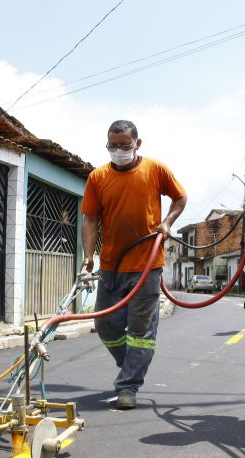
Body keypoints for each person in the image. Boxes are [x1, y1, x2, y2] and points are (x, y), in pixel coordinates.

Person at [81, 120, 187, 410]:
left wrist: (166, 222)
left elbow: (180, 197)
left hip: (147, 264)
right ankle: (129, 365)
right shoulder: (97, 177)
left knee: (140, 330)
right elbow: (90, 219)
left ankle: (128, 386)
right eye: (112, 146)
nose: (118, 151)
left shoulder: (155, 169)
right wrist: (89, 255)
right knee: (105, 324)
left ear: (137, 143)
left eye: (124, 145)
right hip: (112, 266)